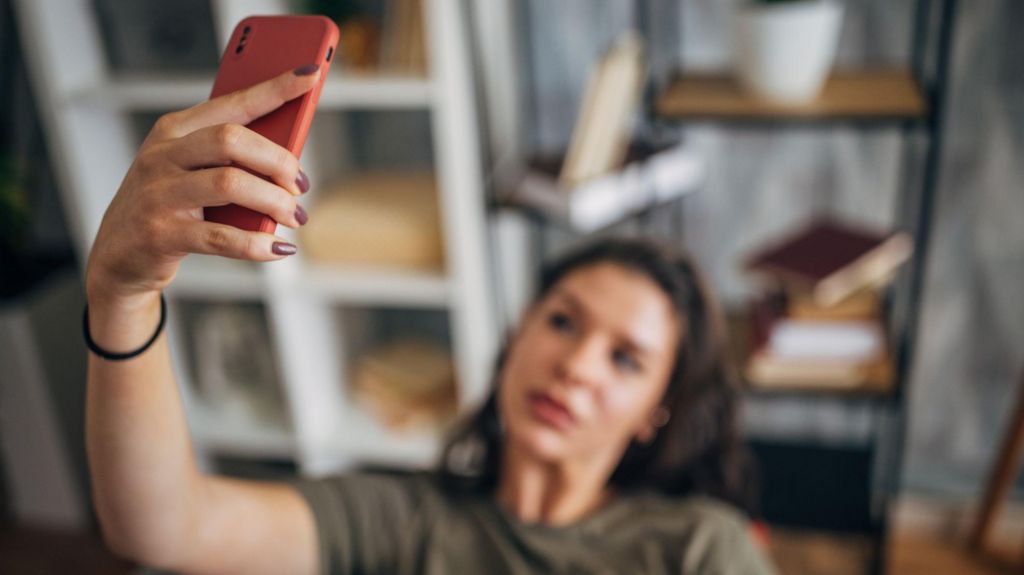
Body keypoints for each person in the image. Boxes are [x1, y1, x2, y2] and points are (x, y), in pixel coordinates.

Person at [84, 67, 776, 575]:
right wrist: (123, 298)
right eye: (564, 322)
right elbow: (166, 528)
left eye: (626, 359)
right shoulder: (403, 521)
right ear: (520, 333)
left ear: (656, 409)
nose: (576, 365)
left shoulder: (698, 548)